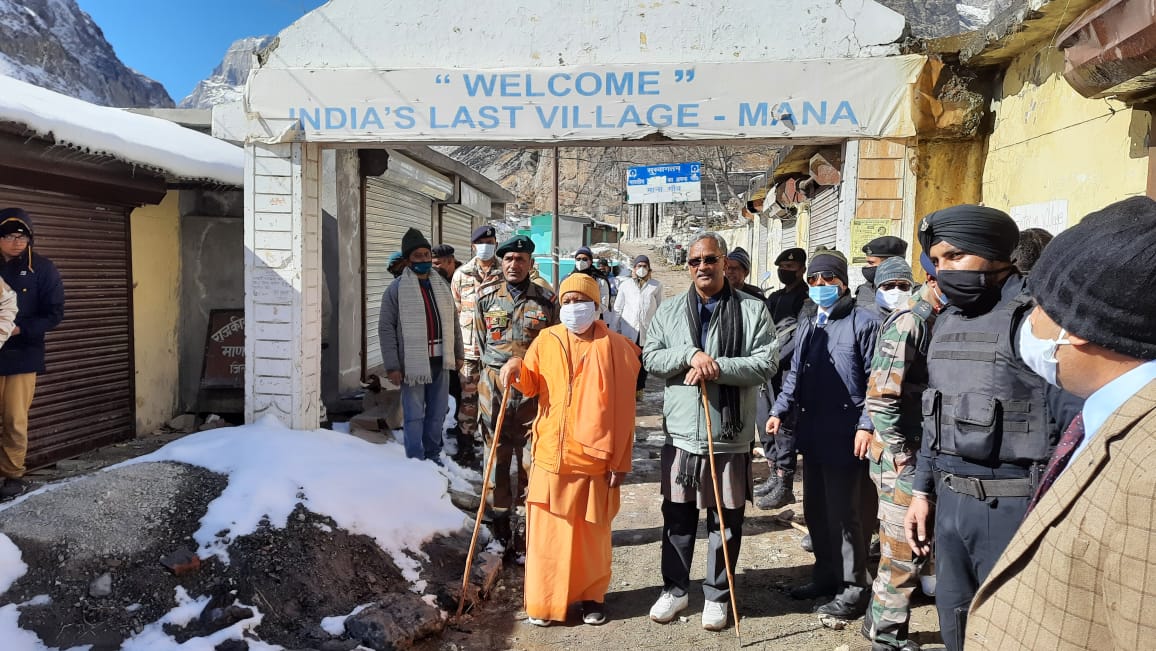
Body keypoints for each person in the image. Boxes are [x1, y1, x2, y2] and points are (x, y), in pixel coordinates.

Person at [967, 197, 1156, 650]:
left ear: (1082, 324)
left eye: (1040, 306)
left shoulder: (1148, 467)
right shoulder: (1114, 417)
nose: (1030, 322)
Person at [903, 205, 1082, 651]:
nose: (944, 271)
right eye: (938, 261)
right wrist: (921, 493)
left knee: (1011, 629)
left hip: (1015, 506)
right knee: (956, 624)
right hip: (949, 506)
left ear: (994, 255)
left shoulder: (1035, 323)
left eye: (956, 257)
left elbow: (1078, 428)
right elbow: (933, 417)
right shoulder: (945, 322)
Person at [643, 232, 775, 632]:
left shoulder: (752, 310)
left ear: (724, 263)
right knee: (677, 517)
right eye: (695, 261)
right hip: (683, 434)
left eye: (711, 260)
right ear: (689, 266)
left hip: (729, 436)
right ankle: (676, 589)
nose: (703, 267)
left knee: (725, 521)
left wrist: (716, 366)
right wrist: (688, 355)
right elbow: (650, 356)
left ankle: (717, 594)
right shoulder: (668, 312)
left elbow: (766, 362)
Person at [500, 273, 640, 627]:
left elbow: (625, 413)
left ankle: (591, 598)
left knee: (590, 537)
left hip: (594, 458)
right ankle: (545, 603)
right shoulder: (546, 339)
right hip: (550, 453)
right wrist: (516, 367)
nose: (573, 307)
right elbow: (532, 384)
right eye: (566, 301)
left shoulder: (617, 347)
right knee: (547, 537)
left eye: (581, 300)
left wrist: (621, 460)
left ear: (596, 305)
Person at [768, 248, 881, 622]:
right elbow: (795, 375)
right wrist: (778, 409)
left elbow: (874, 385)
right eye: (814, 279)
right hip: (812, 432)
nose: (819, 285)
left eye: (827, 279)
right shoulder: (809, 324)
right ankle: (825, 574)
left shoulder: (863, 324)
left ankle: (853, 589)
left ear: (843, 283)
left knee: (847, 515)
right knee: (816, 510)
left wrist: (866, 425)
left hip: (847, 435)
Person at [862, 253, 946, 651]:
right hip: (901, 454)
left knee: (906, 545)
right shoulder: (913, 320)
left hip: (919, 449)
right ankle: (887, 638)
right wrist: (903, 456)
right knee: (903, 550)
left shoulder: (941, 316)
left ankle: (877, 623)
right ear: (933, 279)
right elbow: (880, 398)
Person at [474, 234, 558, 554]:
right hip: (493, 386)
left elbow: (554, 346)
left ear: (530, 264)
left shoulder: (547, 301)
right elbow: (482, 345)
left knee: (529, 457)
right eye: (508, 259)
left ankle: (526, 525)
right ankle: (499, 526)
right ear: (501, 262)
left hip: (532, 386)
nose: (514, 264)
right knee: (496, 453)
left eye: (520, 260)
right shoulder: (486, 298)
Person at [379, 228, 462, 462]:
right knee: (414, 414)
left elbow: (453, 322)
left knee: (437, 413)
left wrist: (458, 353)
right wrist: (392, 366)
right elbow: (386, 329)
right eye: (418, 256)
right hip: (412, 364)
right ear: (407, 260)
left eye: (427, 254)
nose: (425, 260)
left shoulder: (442, 286)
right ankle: (415, 458)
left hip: (441, 360)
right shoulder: (395, 290)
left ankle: (433, 452)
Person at [0, 208, 64, 500]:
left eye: (22, 236)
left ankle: (13, 475)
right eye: (10, 236)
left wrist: (19, 329)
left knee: (15, 419)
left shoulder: (42, 268)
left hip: (22, 354)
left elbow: (54, 314)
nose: (17, 242)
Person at [755, 247, 809, 509]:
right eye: (782, 268)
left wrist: (775, 360)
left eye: (791, 268)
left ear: (801, 269)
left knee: (785, 424)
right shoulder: (775, 298)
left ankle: (785, 483)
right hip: (770, 369)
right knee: (766, 422)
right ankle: (774, 473)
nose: (785, 271)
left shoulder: (806, 299)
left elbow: (798, 337)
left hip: (787, 369)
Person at [450, 225, 502, 465]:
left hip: (495, 353)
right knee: (468, 402)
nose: (486, 245)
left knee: (494, 402)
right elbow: (455, 312)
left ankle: (494, 450)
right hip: (469, 353)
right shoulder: (462, 275)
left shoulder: (505, 272)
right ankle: (466, 448)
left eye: (490, 241)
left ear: (496, 244)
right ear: (473, 245)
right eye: (482, 241)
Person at [610, 255, 663, 402]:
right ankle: (627, 387)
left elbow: (659, 308)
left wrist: (659, 330)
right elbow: (618, 308)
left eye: (644, 266)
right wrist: (614, 330)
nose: (641, 269)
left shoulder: (655, 285)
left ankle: (639, 389)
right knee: (628, 360)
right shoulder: (625, 285)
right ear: (634, 268)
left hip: (646, 330)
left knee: (643, 362)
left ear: (649, 268)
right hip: (628, 329)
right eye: (639, 266)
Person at [855, 236, 908, 313]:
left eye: (871, 263)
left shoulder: (913, 292)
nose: (867, 267)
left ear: (890, 264)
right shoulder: (864, 289)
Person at [569, 246, 610, 316]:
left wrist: (584, 309)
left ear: (590, 261)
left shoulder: (600, 281)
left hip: (591, 320)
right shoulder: (569, 278)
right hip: (572, 319)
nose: (580, 262)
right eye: (578, 259)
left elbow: (603, 305)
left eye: (584, 259)